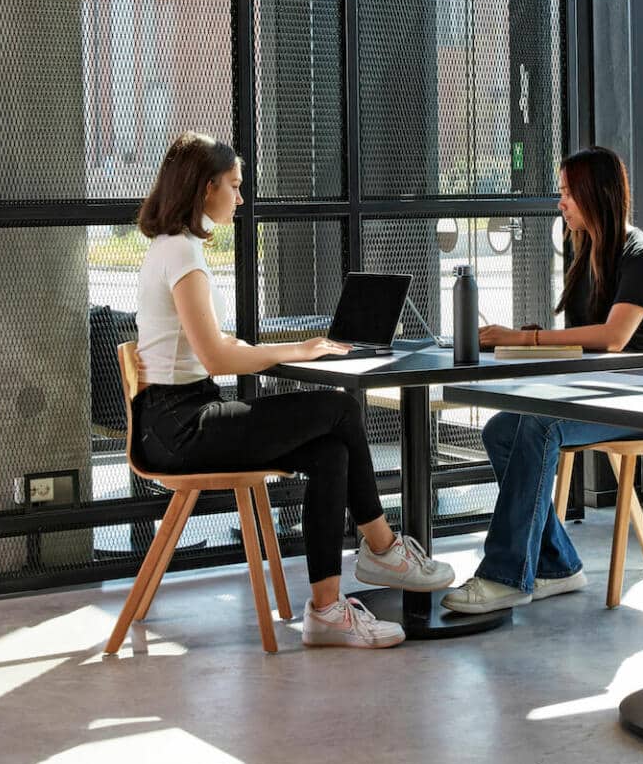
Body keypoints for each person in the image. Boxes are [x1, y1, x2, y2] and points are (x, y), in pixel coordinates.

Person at [133, 134, 454, 649]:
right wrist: (296, 351)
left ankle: (327, 609)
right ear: (206, 186)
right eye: (234, 187)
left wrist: (274, 347)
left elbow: (209, 345)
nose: (240, 199)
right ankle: (381, 546)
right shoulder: (182, 255)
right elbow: (215, 359)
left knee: (330, 452)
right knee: (340, 407)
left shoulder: (173, 249)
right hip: (181, 428)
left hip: (178, 417)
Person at [442, 145, 643, 616]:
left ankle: (505, 575)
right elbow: (583, 344)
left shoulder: (642, 254)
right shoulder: (587, 251)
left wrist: (524, 337)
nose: (561, 202)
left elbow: (613, 339)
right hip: (605, 391)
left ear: (595, 194)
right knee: (501, 429)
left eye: (568, 192)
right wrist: (516, 341)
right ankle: (557, 565)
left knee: (541, 425)